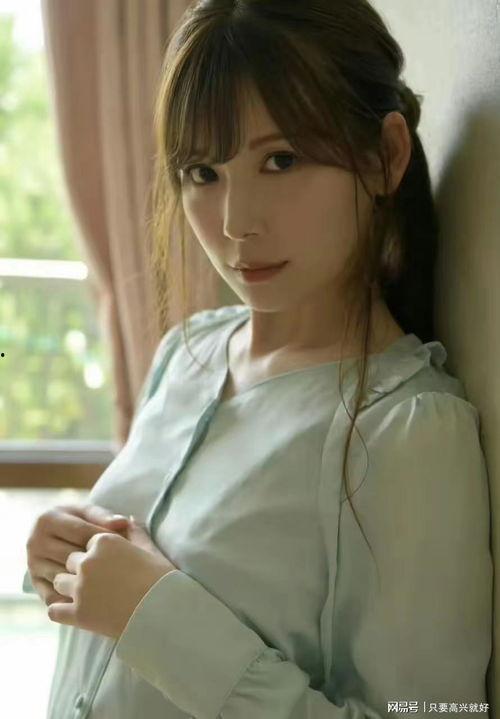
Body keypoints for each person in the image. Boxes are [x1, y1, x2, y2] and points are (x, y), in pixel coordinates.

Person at [23, 1, 493, 717]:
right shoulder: (187, 355)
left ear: (385, 156)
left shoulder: (407, 434)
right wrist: (68, 555)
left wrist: (157, 617)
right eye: (202, 172)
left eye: (281, 160)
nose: (236, 222)